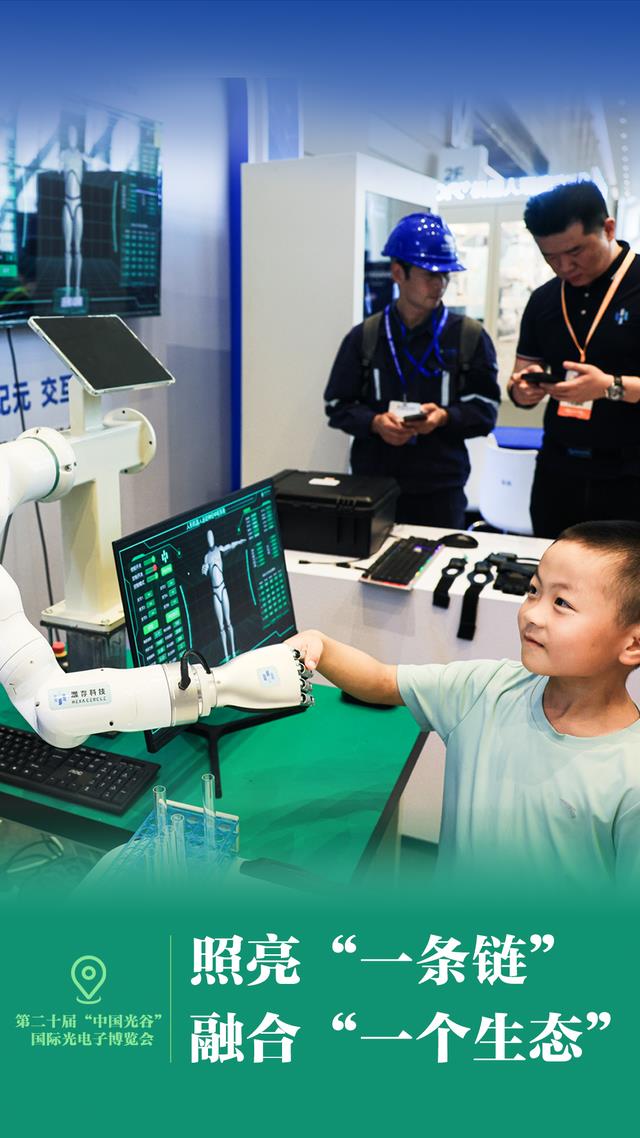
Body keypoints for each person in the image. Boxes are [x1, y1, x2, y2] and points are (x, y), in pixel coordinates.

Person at [288, 520, 640, 886]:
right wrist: (320, 645)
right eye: (533, 591)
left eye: (562, 603)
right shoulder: (485, 689)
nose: (532, 614)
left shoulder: (631, 776)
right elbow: (381, 681)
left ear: (632, 644)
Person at [324, 214, 500, 528]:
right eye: (430, 274)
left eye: (445, 275)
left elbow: (486, 409)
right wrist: (375, 423)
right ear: (397, 273)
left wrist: (444, 417)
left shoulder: (468, 336)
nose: (440, 285)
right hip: (373, 488)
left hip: (440, 491)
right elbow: (337, 405)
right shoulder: (365, 337)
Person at [508, 180, 640, 538]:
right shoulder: (544, 300)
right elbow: (520, 377)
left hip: (629, 475)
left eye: (576, 251)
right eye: (550, 256)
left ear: (608, 229)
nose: (564, 266)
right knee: (550, 563)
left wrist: (609, 386)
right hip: (558, 470)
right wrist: (523, 389)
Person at [201, 528, 246, 660]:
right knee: (221, 627)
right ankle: (226, 655)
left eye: (211, 536)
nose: (210, 540)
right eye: (208, 537)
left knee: (228, 623)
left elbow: (230, 546)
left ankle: (233, 652)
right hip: (215, 592)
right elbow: (205, 573)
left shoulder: (219, 550)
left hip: (222, 588)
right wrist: (204, 570)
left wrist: (241, 541)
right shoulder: (206, 557)